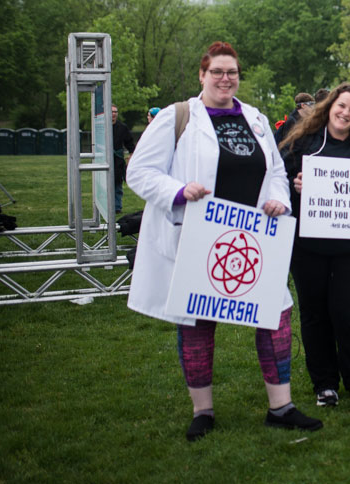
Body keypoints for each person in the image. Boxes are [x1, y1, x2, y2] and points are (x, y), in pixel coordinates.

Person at [126, 41, 321, 441]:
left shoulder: (256, 119)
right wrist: (179, 192)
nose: (225, 78)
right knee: (198, 320)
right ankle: (203, 411)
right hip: (199, 236)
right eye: (217, 71)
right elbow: (140, 172)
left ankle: (280, 406)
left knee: (275, 317)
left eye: (231, 72)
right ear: (202, 75)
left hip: (252, 237)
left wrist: (278, 201)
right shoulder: (177, 118)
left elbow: (277, 173)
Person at [280, 83, 350, 406]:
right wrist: (294, 183)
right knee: (314, 314)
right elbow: (276, 179)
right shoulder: (302, 142)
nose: (345, 113)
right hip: (307, 245)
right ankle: (324, 383)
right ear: (330, 106)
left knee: (347, 313)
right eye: (341, 106)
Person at [110, 104, 135, 214]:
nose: (113, 114)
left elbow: (129, 143)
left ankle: (117, 206)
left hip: (118, 160)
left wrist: (131, 155)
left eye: (115, 112)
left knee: (117, 183)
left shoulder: (122, 127)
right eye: (111, 112)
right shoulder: (102, 126)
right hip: (105, 159)